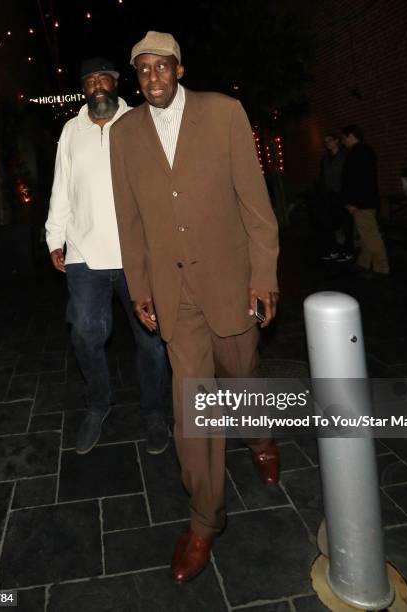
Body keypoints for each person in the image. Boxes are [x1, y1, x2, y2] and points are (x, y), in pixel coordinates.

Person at [110, 32, 280, 583]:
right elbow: (128, 219)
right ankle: (206, 519)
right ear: (136, 76)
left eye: (163, 67)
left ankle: (259, 437)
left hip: (230, 282)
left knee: (242, 375)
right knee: (194, 408)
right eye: (144, 69)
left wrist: (265, 275)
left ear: (179, 69)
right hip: (172, 293)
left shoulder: (224, 112)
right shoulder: (125, 134)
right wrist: (139, 287)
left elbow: (256, 205)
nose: (153, 77)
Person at [45, 57, 169, 456]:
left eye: (104, 79)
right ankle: (98, 403)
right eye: (89, 81)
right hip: (83, 254)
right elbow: (62, 187)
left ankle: (152, 411)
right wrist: (54, 237)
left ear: (116, 84)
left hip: (138, 253)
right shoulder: (71, 130)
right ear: (84, 89)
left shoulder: (140, 122)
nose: (97, 85)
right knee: (84, 333)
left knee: (151, 341)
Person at [341, 125, 389, 276]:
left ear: (351, 136)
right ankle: (364, 261)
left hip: (362, 203)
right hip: (365, 201)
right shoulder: (363, 151)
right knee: (365, 234)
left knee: (370, 235)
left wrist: (354, 202)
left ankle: (381, 267)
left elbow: (361, 180)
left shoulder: (359, 153)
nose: (343, 141)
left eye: (343, 137)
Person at [316, 132, 353, 262]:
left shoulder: (345, 156)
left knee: (345, 223)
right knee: (329, 223)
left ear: (337, 141)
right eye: (325, 141)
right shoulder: (325, 158)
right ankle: (334, 250)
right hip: (329, 195)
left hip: (341, 194)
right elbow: (322, 177)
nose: (327, 143)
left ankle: (348, 251)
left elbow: (348, 176)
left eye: (330, 140)